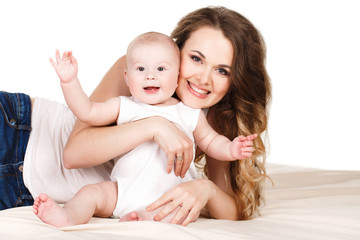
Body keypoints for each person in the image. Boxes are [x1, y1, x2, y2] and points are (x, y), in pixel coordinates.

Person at [0, 6, 271, 226]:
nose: (203, 78)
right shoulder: (140, 73)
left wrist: (205, 189)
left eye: (222, 70)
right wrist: (153, 126)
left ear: (235, 80)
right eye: (196, 59)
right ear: (177, 53)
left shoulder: (208, 119)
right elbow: (73, 155)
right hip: (17, 132)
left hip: (22, 192)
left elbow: (231, 209)